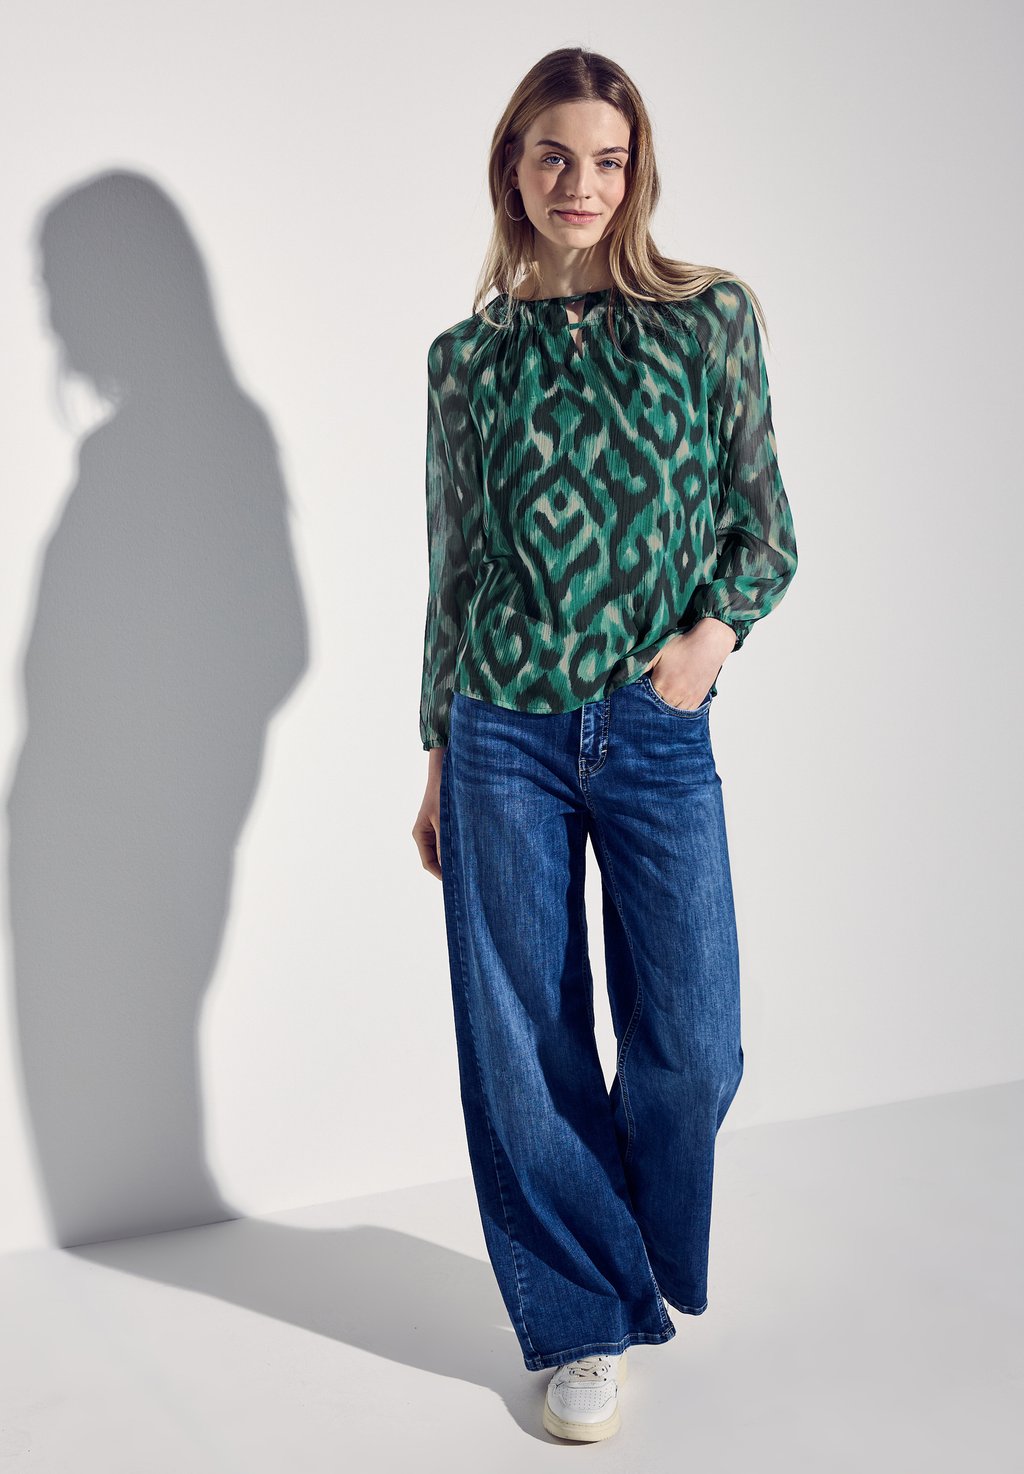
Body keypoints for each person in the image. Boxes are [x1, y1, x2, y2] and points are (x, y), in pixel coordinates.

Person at [411, 46, 798, 1442]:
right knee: (522, 1043)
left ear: (638, 174)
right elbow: (453, 567)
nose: (582, 184)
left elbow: (764, 526)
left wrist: (707, 647)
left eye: (608, 160)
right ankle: (582, 1318)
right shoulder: (467, 363)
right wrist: (438, 751)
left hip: (651, 724)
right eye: (555, 157)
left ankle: (625, 1250)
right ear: (512, 169)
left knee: (693, 1044)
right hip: (499, 730)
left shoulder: (707, 320)